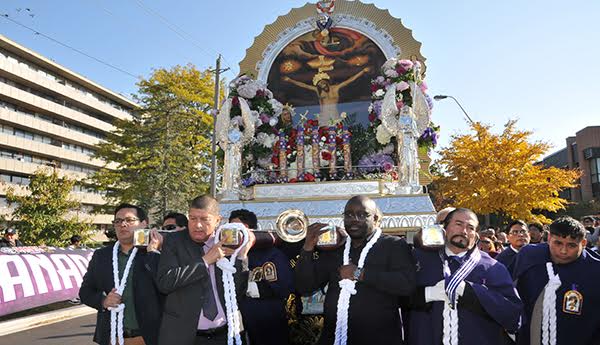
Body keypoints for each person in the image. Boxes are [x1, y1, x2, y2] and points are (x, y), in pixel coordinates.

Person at [295, 195, 416, 345]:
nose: (354, 219)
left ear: (376, 219)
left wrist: (360, 274)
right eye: (349, 214)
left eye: (362, 214)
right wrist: (308, 247)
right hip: (334, 338)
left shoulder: (394, 245)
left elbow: (407, 285)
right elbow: (304, 286)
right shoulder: (335, 249)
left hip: (379, 338)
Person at [407, 208, 522, 345]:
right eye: (458, 224)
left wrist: (471, 292)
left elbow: (514, 316)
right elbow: (397, 299)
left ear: (476, 235)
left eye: (470, 228)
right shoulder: (419, 259)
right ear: (444, 228)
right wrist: (427, 294)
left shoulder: (493, 267)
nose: (464, 231)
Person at [156, 195, 253, 345]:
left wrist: (242, 256)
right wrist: (206, 260)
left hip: (224, 335)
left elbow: (238, 292)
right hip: (184, 335)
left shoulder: (227, 241)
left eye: (204, 219)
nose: (198, 225)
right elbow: (165, 282)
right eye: (193, 218)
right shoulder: (173, 242)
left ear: (217, 220)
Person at [80, 203, 164, 345]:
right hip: (112, 338)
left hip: (148, 338)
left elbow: (167, 288)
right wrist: (103, 301)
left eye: (129, 220)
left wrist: (155, 253)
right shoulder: (101, 256)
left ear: (144, 224)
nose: (123, 225)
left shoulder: (155, 254)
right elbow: (85, 292)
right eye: (118, 221)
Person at [513, 216, 600, 345]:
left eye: (571, 245)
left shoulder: (595, 270)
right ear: (548, 239)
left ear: (583, 243)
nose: (563, 251)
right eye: (558, 243)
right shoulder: (529, 257)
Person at [229, 209, 293, 345]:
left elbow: (285, 287)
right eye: (231, 228)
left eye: (240, 229)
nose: (236, 234)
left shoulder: (273, 254)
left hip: (269, 324)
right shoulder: (224, 255)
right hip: (237, 325)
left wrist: (248, 287)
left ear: (252, 230)